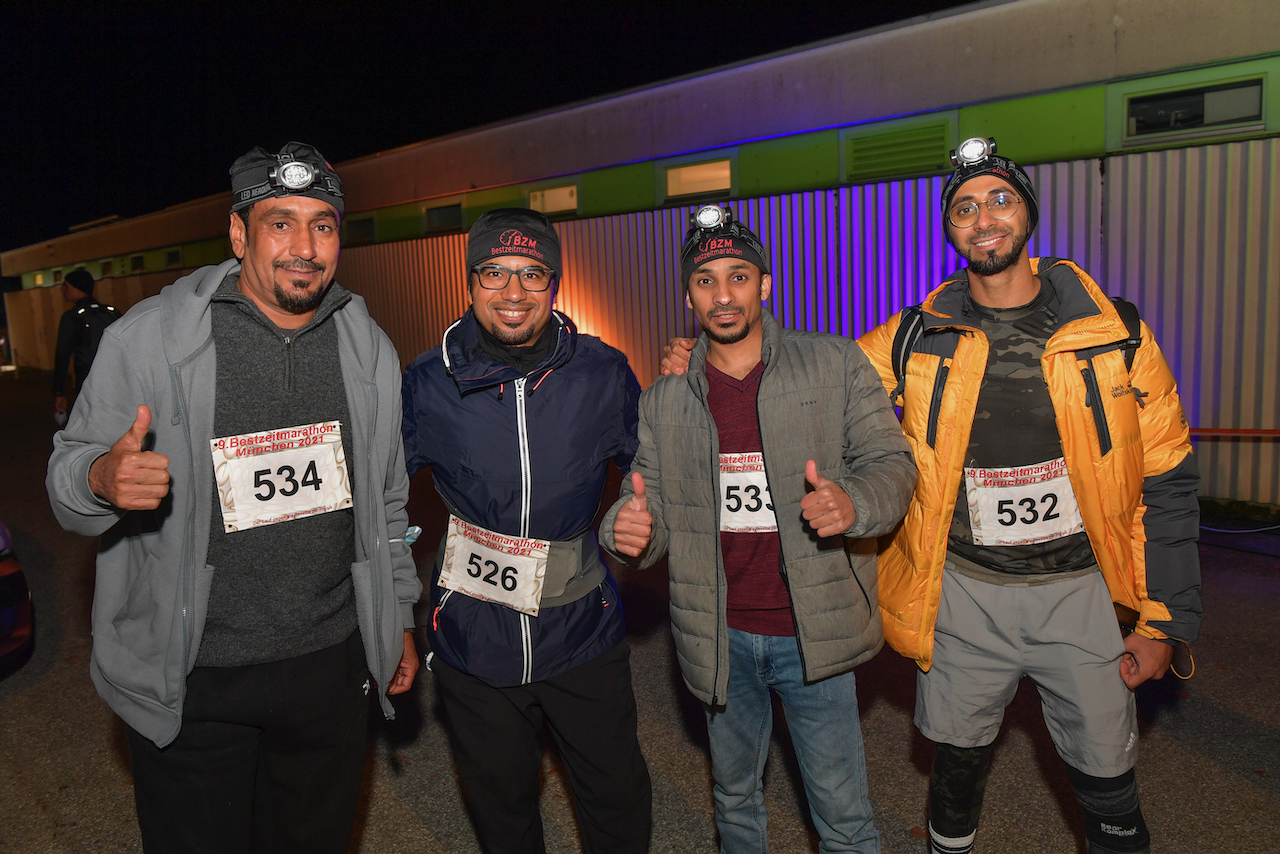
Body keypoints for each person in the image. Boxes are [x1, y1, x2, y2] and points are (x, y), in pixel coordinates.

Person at [663, 138, 1202, 854]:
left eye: (1000, 199)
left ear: (1028, 215)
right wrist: (703, 355)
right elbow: (808, 375)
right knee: (957, 766)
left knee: (1108, 781)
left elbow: (1167, 479)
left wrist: (1162, 621)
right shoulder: (918, 332)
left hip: (1082, 590)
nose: (984, 218)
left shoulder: (1116, 330)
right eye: (965, 207)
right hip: (964, 594)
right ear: (950, 230)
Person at [46, 142, 422, 854]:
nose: (305, 247)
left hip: (329, 667)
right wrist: (101, 478)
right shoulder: (150, 339)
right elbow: (69, 481)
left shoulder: (366, 346)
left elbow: (388, 504)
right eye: (281, 223)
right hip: (197, 676)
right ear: (238, 233)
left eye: (323, 225)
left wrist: (396, 614)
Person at [603, 205, 916, 853]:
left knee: (843, 814)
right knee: (736, 803)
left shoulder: (833, 364)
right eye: (706, 279)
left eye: (738, 276)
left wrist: (853, 502)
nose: (723, 294)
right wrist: (627, 529)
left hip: (814, 636)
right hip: (718, 638)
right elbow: (647, 496)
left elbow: (892, 463)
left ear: (765, 284)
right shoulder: (667, 398)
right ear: (688, 294)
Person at [401, 208, 652, 854]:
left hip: (582, 633)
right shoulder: (428, 383)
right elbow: (377, 499)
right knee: (502, 811)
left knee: (617, 800)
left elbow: (651, 472)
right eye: (495, 273)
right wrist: (389, 606)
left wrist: (646, 523)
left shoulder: (603, 372)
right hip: (472, 643)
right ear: (470, 283)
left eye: (531, 274)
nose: (513, 293)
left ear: (555, 284)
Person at [52, 268, 121, 425]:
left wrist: (58, 392)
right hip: (116, 384)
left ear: (78, 288)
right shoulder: (112, 313)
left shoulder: (72, 317)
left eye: (66, 286)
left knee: (91, 427)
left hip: (87, 384)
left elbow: (62, 355)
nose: (62, 290)